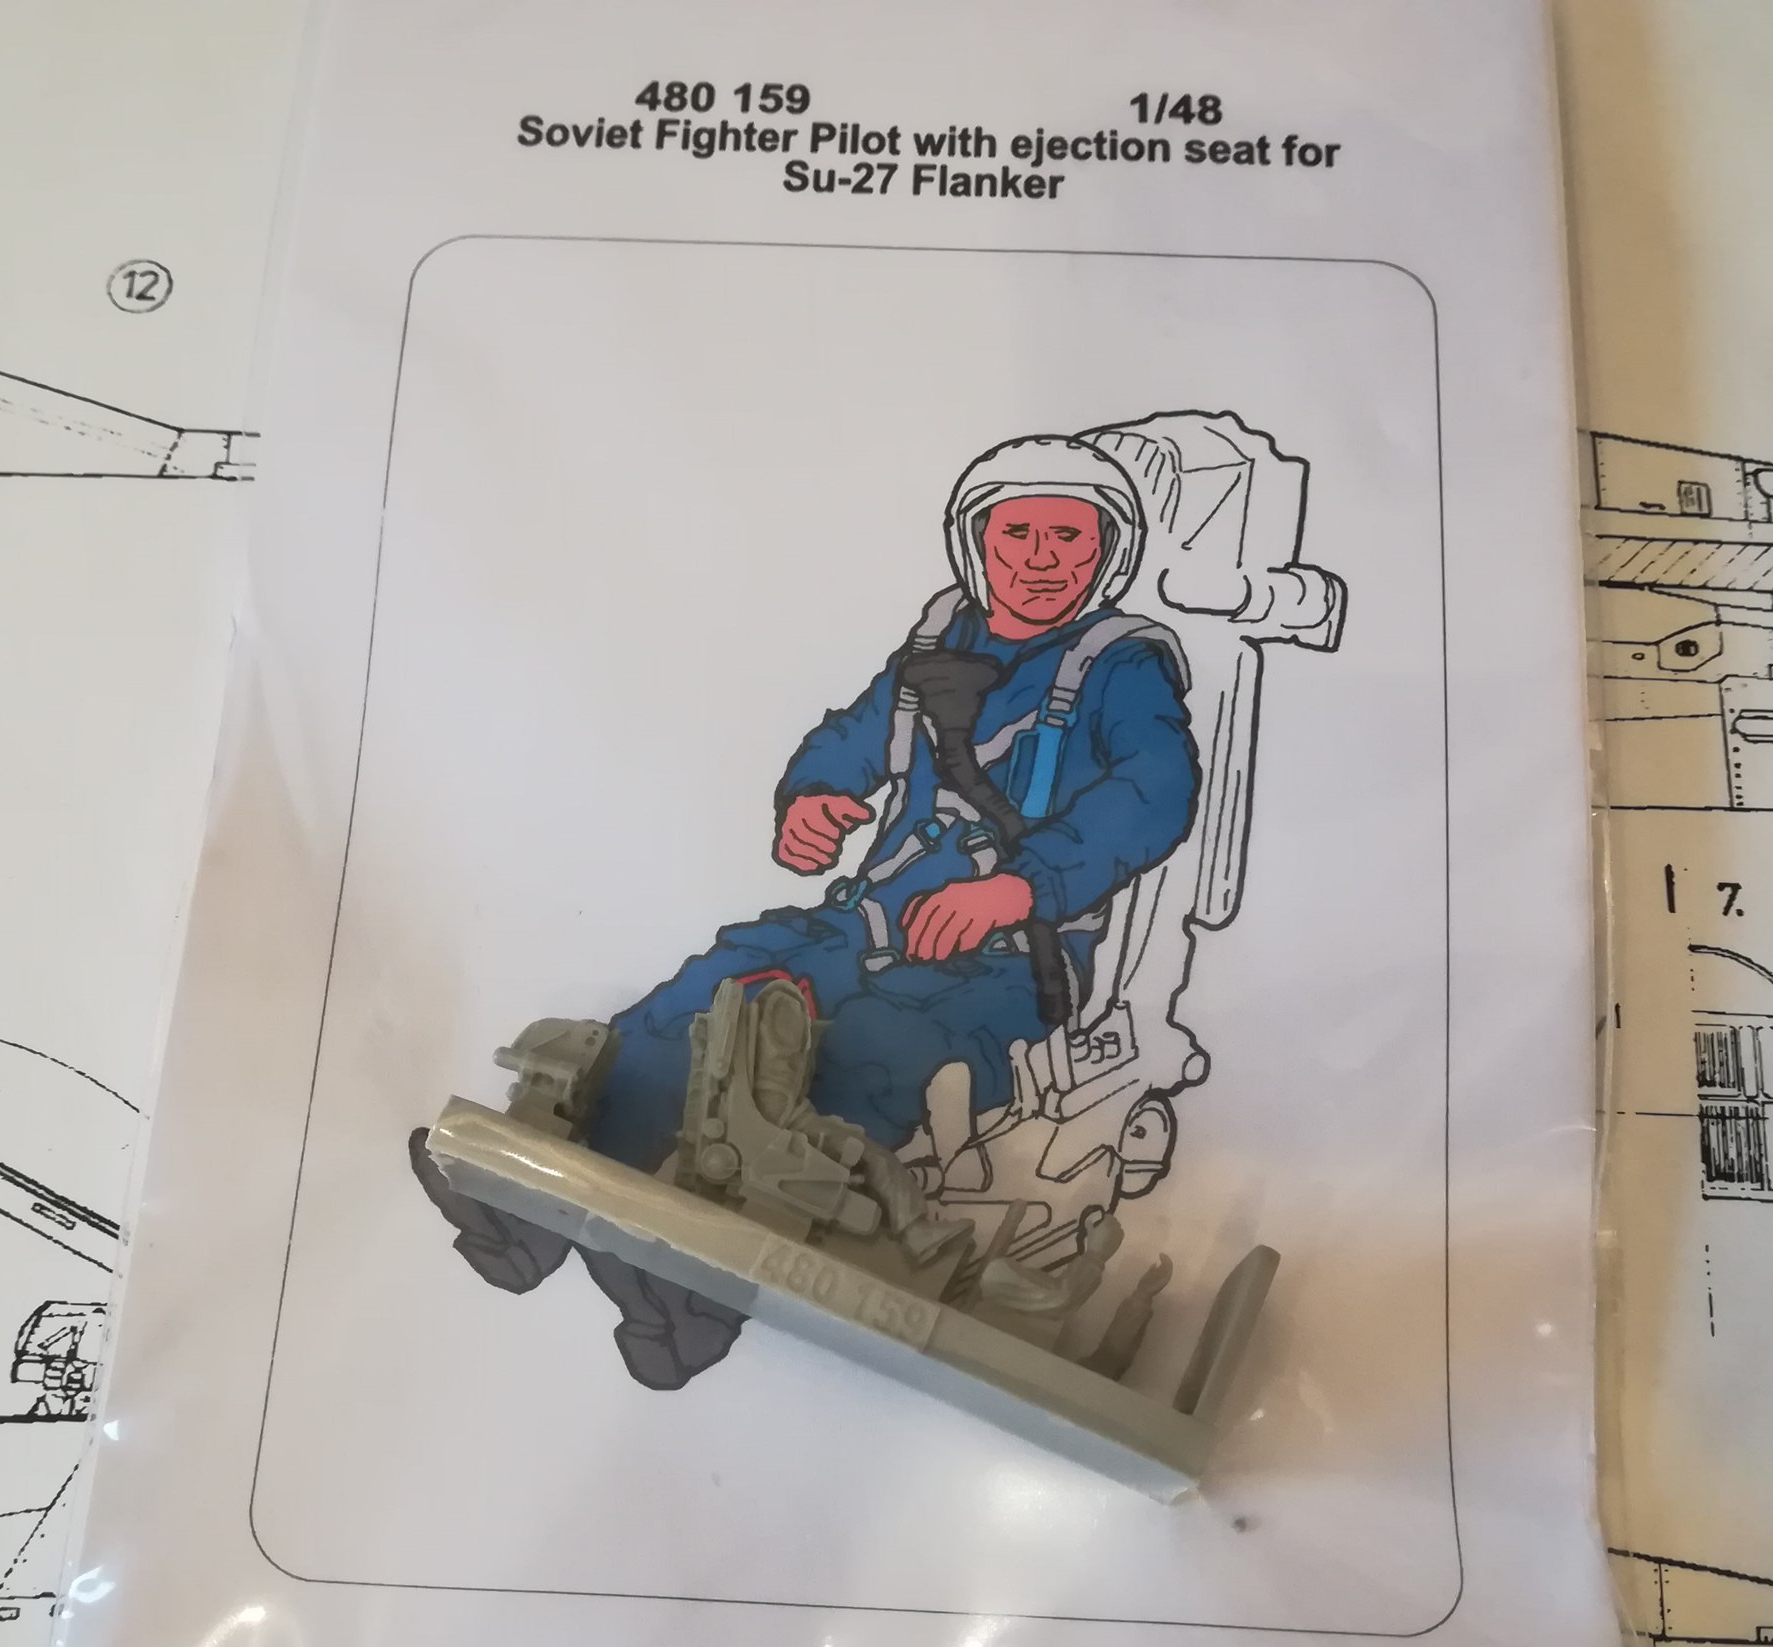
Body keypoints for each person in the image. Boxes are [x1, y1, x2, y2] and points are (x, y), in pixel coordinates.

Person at [413, 433, 1201, 1388]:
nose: (1040, 558)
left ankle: (699, 1298)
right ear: (978, 541)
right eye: (1018, 534)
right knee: (727, 982)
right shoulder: (940, 644)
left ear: (1107, 551)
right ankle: (535, 1206)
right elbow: (857, 735)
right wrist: (815, 796)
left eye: (1068, 537)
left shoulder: (1120, 669)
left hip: (1008, 963)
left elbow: (1154, 791)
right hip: (872, 922)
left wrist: (1018, 887)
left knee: (866, 1051)